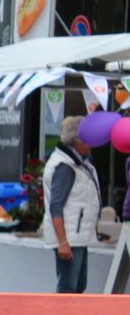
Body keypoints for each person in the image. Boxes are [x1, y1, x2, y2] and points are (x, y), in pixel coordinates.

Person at [42, 115, 101, 294]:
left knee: (78, 284)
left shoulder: (78, 164)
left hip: (78, 235)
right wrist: (63, 241)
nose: (91, 142)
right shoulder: (65, 166)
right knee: (68, 287)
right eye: (87, 138)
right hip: (70, 236)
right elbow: (56, 205)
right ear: (75, 140)